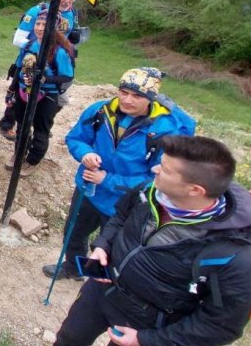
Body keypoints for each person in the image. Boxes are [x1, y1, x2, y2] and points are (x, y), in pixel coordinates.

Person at [24, 136, 251, 346]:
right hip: (105, 288)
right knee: (71, 336)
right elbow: (120, 217)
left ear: (195, 190)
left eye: (166, 169)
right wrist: (102, 247)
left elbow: (221, 326)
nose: (156, 170)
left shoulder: (235, 256)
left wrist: (147, 340)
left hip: (154, 324)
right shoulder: (151, 191)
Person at [45, 67, 195, 281]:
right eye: (123, 92)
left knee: (113, 246)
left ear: (151, 98)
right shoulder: (100, 111)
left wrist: (107, 180)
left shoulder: (166, 131)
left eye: (136, 96)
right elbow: (76, 138)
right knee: (73, 232)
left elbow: (157, 178)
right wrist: (85, 153)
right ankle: (73, 267)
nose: (127, 100)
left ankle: (101, 283)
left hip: (127, 202)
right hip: (88, 189)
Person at [0, 0, 79, 140]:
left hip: (57, 66)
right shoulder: (37, 12)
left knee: (60, 100)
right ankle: (7, 124)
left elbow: (65, 38)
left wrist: (70, 44)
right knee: (19, 96)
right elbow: (17, 39)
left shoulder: (72, 14)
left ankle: (40, 123)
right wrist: (36, 48)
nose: (67, 1)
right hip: (29, 62)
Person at [6, 11, 75, 176]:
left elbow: (67, 76)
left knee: (41, 129)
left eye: (45, 24)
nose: (40, 28)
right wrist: (11, 90)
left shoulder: (59, 50)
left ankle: (33, 160)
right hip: (24, 92)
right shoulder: (29, 45)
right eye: (38, 24)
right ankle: (19, 153)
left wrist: (45, 79)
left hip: (46, 96)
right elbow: (18, 68)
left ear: (54, 27)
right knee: (22, 126)